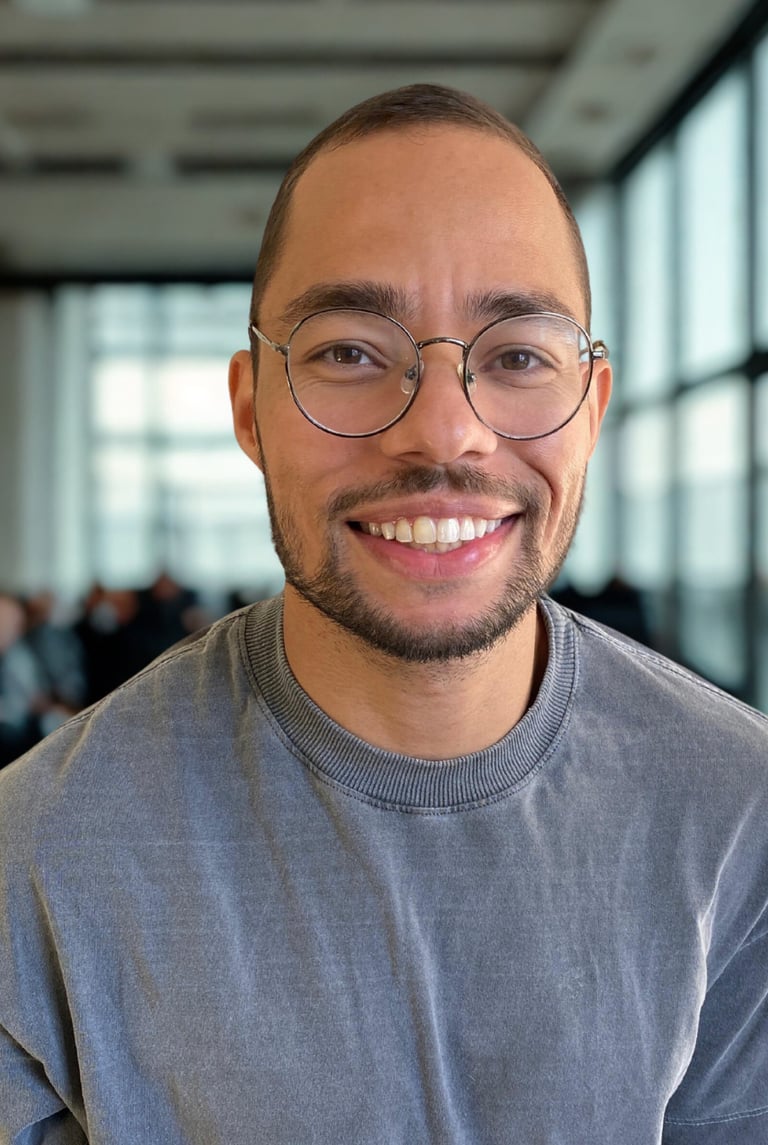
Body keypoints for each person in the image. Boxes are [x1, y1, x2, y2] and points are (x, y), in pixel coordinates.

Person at [1, 84, 766, 1144]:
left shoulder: (739, 815)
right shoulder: (39, 856)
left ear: (591, 411)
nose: (444, 432)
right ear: (250, 409)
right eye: (350, 352)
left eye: (517, 356)